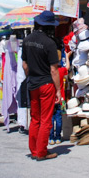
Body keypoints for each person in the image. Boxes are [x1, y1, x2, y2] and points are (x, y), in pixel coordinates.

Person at [22, 10, 62, 160]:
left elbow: (25, 65)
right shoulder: (49, 43)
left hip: (33, 83)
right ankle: (41, 152)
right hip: (46, 84)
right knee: (46, 119)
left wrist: (31, 78)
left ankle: (34, 150)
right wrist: (58, 89)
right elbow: (53, 70)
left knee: (35, 118)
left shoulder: (27, 40)